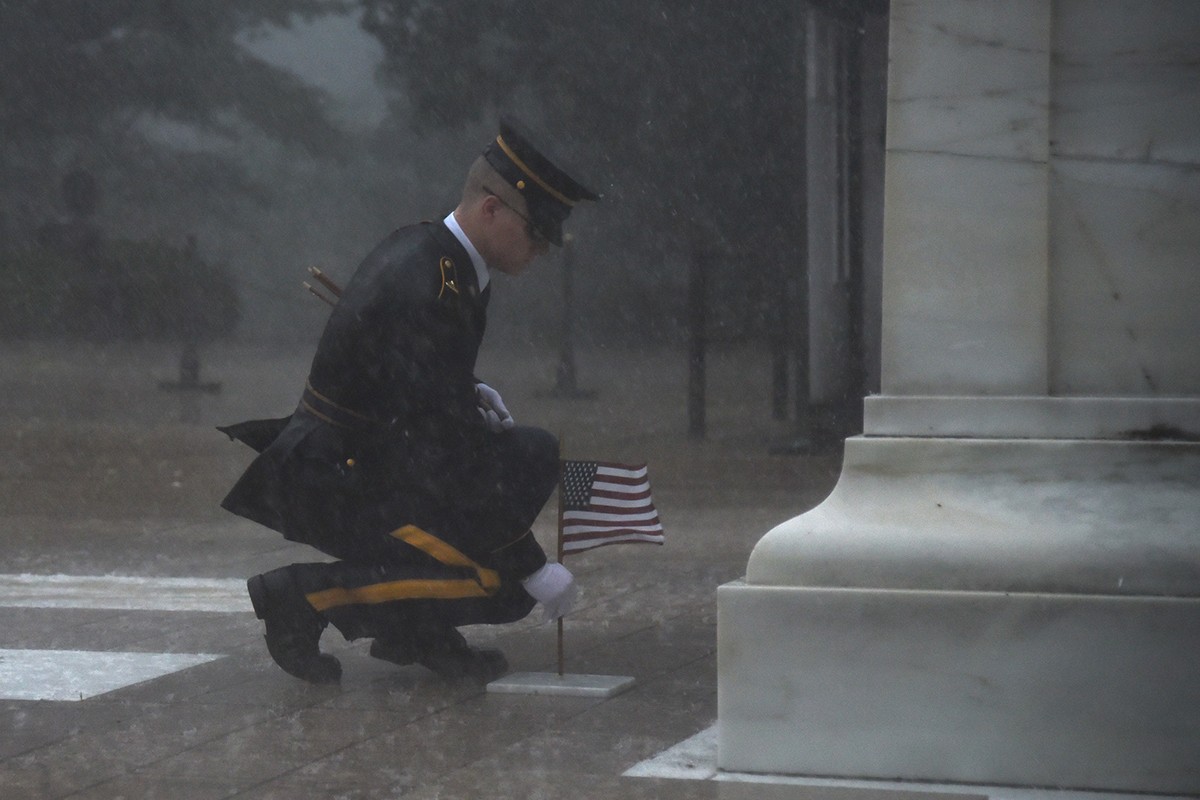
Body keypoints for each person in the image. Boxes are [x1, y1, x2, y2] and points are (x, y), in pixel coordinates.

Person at [219, 117, 599, 685]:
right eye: (536, 232)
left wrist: (464, 391)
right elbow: (439, 452)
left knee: (534, 452)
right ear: (492, 210)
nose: (542, 248)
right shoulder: (431, 281)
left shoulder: (437, 254)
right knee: (502, 583)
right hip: (344, 479)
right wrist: (531, 562)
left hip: (369, 458)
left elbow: (408, 385)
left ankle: (412, 630)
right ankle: (302, 597)